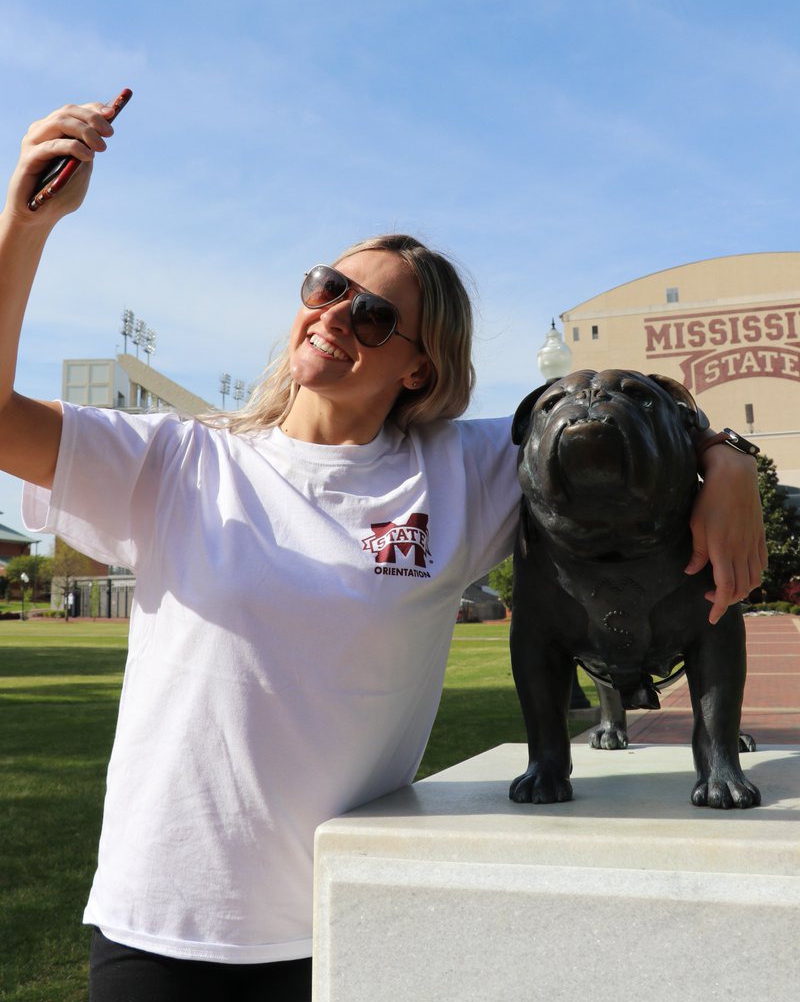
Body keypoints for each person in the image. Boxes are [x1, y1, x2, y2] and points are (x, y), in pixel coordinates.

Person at [0, 101, 767, 1002]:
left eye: (372, 317)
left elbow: (610, 416)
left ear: (420, 368)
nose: (334, 316)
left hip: (357, 916)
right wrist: (25, 225)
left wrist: (726, 459)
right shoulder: (177, 458)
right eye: (326, 288)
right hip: (165, 926)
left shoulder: (465, 468)